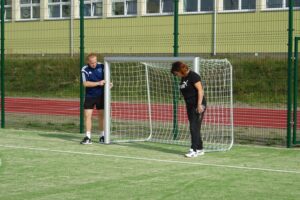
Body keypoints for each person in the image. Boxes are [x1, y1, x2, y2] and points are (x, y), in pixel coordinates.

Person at [171, 61, 207, 158]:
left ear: (180, 70)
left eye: (176, 73)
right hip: (190, 105)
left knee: (193, 127)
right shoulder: (183, 77)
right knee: (195, 127)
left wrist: (199, 105)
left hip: (198, 104)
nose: (176, 75)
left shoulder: (193, 76)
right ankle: (200, 148)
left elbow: (200, 90)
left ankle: (193, 150)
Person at [80, 53, 107, 144]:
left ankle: (102, 136)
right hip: (90, 96)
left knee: (101, 116)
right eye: (92, 63)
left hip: (101, 96)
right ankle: (88, 137)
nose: (94, 64)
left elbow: (107, 78)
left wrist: (109, 83)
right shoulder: (85, 69)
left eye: (95, 62)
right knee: (88, 116)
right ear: (88, 62)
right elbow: (85, 83)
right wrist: (98, 83)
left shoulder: (102, 66)